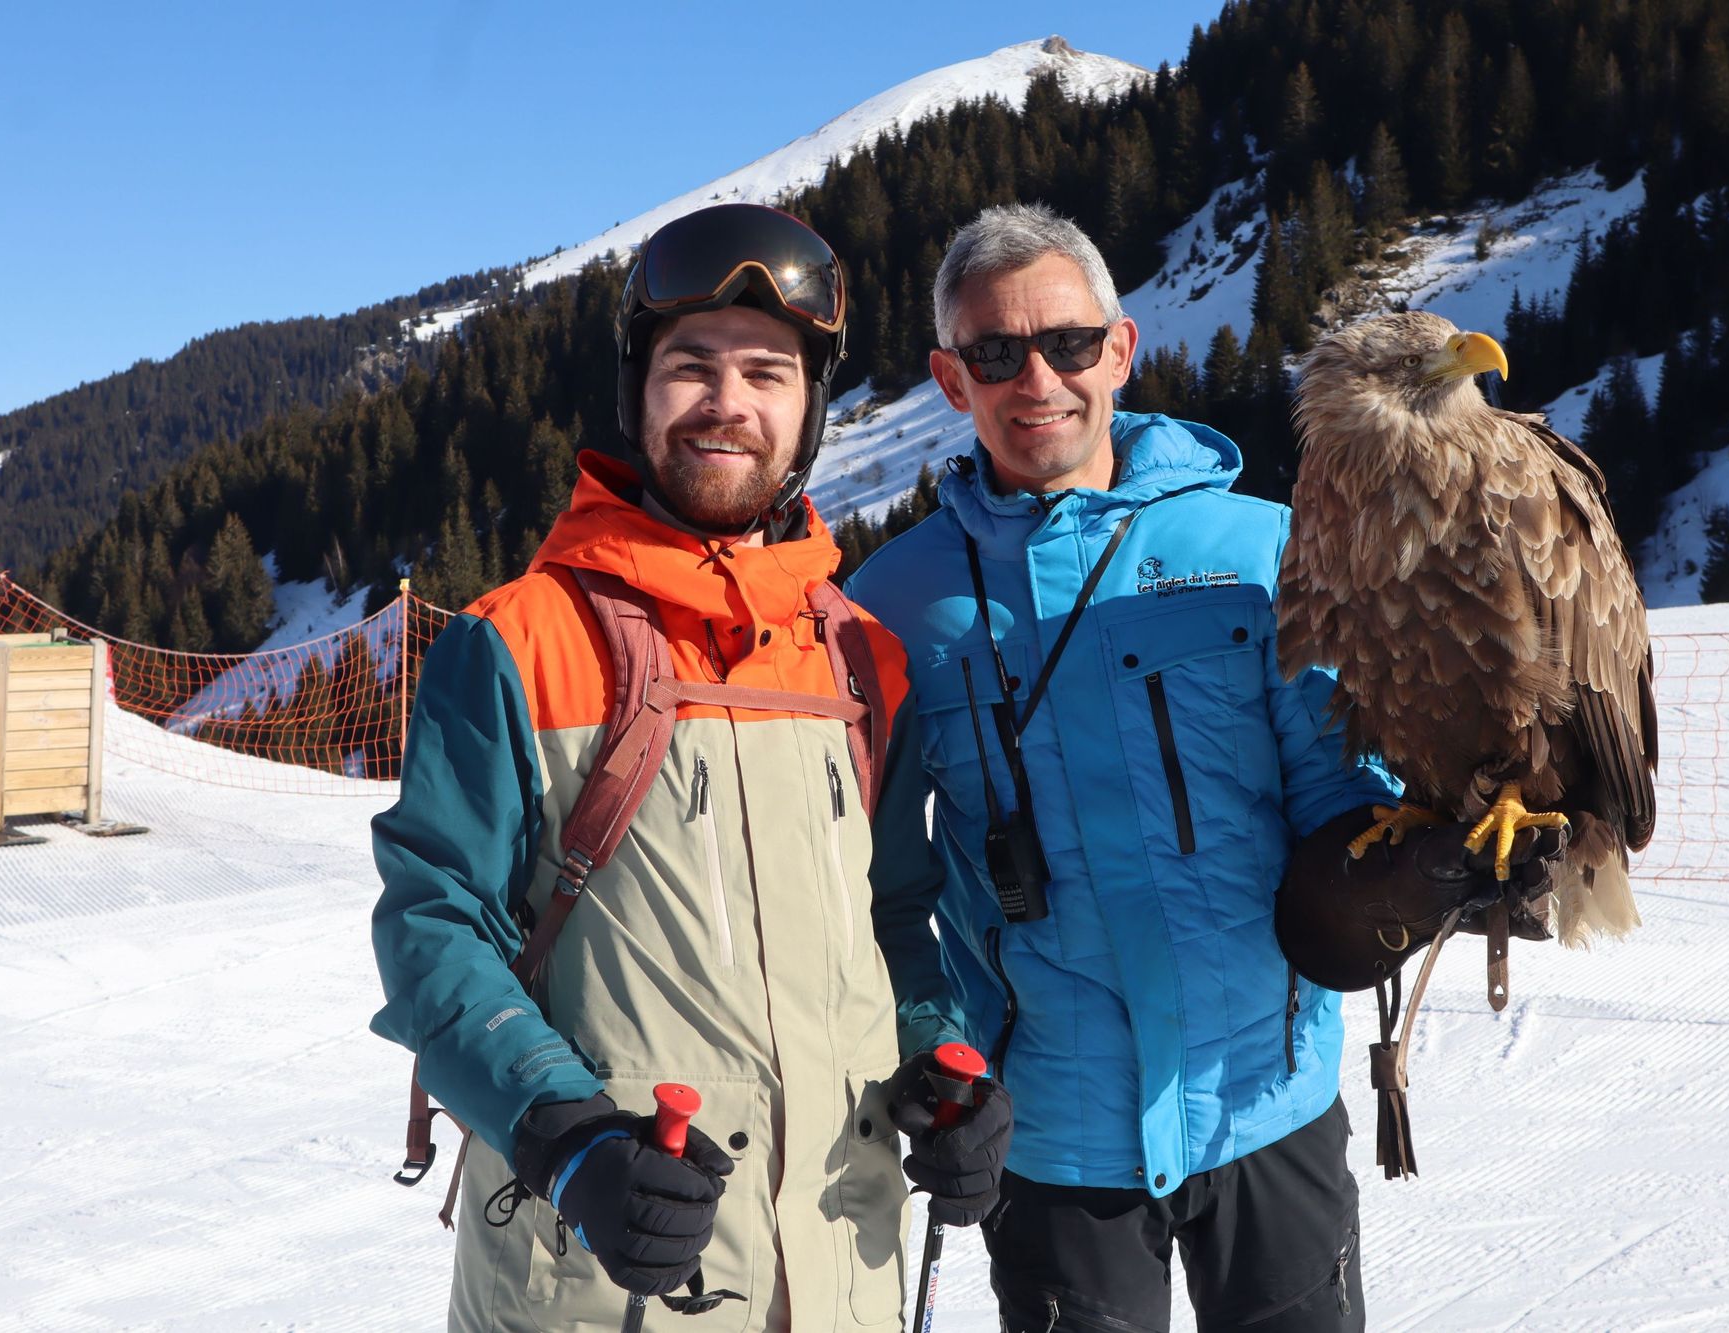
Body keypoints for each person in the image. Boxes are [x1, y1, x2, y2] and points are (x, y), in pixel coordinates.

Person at [849, 203, 1562, 1332]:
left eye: (1068, 343)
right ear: (950, 378)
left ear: (1119, 349)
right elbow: (884, 891)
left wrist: (1422, 870)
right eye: (994, 353)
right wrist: (930, 1051)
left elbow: (1340, 797)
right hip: (1045, 1131)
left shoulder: (1261, 550)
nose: (1036, 377)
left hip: (1262, 1106)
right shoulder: (887, 606)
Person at [369, 203, 1001, 1332]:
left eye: (767, 371)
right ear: (638, 392)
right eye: (690, 367)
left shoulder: (863, 658)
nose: (728, 402)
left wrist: (936, 1065)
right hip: (605, 1271)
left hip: (834, 1269)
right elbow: (433, 928)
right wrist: (567, 1138)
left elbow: (894, 919)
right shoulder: (516, 641)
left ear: (810, 408)